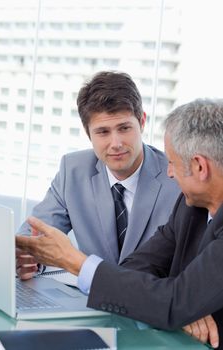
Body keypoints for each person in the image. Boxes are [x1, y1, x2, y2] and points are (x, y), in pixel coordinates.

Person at [16, 98, 223, 349]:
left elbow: (175, 302)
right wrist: (184, 304)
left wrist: (74, 261)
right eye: (103, 131)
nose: (170, 172)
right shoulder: (191, 208)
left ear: (200, 166)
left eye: (173, 163)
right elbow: (138, 266)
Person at [16, 71, 180, 279]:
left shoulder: (177, 177)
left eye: (124, 128)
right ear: (88, 133)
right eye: (103, 132)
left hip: (152, 304)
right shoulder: (73, 170)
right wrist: (27, 258)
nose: (116, 143)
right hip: (88, 303)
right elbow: (31, 235)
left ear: (142, 122)